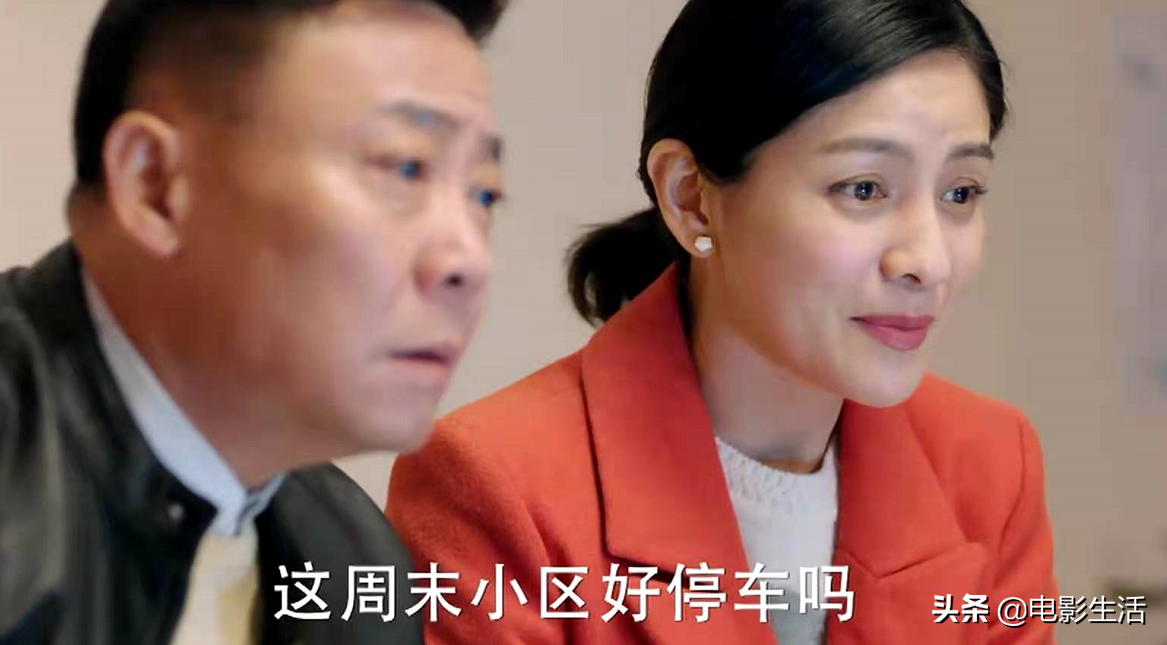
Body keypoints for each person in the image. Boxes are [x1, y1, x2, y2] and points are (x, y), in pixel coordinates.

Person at [387, 0, 1058, 643]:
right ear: (691, 199)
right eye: (863, 188)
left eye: (960, 193)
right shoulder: (496, 485)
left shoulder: (990, 464)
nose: (928, 262)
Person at [0, 0, 507, 643]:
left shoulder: (357, 561)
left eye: (483, 193)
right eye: (405, 168)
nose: (471, 261)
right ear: (156, 185)